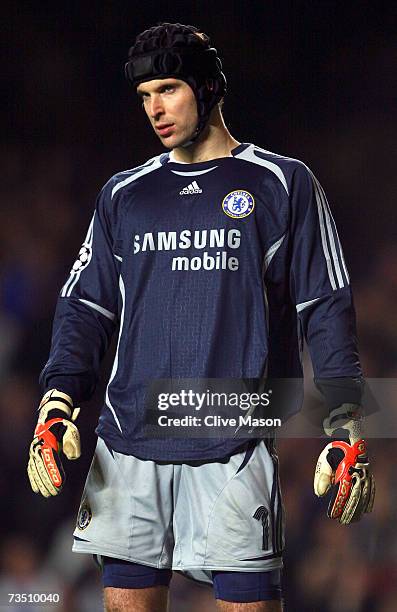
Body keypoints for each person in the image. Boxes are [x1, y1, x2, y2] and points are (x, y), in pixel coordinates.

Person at [27, 22, 375, 612]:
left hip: (233, 443)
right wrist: (58, 398)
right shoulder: (123, 195)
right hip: (129, 446)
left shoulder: (281, 185)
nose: (155, 109)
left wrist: (344, 422)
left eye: (168, 89)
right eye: (144, 97)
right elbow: (85, 305)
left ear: (209, 87)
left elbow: (325, 307)